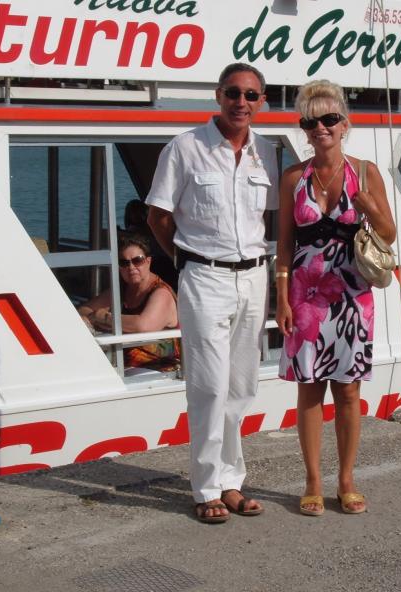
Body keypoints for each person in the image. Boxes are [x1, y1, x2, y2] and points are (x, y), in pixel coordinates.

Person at [146, 63, 278, 523]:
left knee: (241, 385)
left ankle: (231, 482)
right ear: (218, 96)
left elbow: (266, 220)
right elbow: (158, 216)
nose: (241, 102)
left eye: (251, 95)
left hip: (254, 277)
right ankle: (206, 488)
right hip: (204, 277)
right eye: (233, 93)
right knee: (208, 386)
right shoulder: (185, 148)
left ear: (261, 101)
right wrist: (185, 260)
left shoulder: (266, 152)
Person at [275, 81, 396, 516]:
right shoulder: (294, 178)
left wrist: (370, 207)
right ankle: (312, 480)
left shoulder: (365, 172)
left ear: (345, 124)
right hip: (304, 295)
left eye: (329, 119)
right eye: (311, 122)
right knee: (310, 389)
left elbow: (389, 234)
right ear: (304, 129)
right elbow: (284, 245)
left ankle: (346, 479)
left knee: (348, 390)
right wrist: (281, 299)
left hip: (352, 294)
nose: (320, 128)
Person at [78, 234, 179, 372]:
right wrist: (95, 316)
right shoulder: (122, 290)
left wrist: (104, 318)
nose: (131, 267)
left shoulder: (161, 293)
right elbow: (83, 310)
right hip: (121, 364)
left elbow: (143, 325)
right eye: (124, 263)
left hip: (159, 369)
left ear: (148, 261)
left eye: (137, 260)